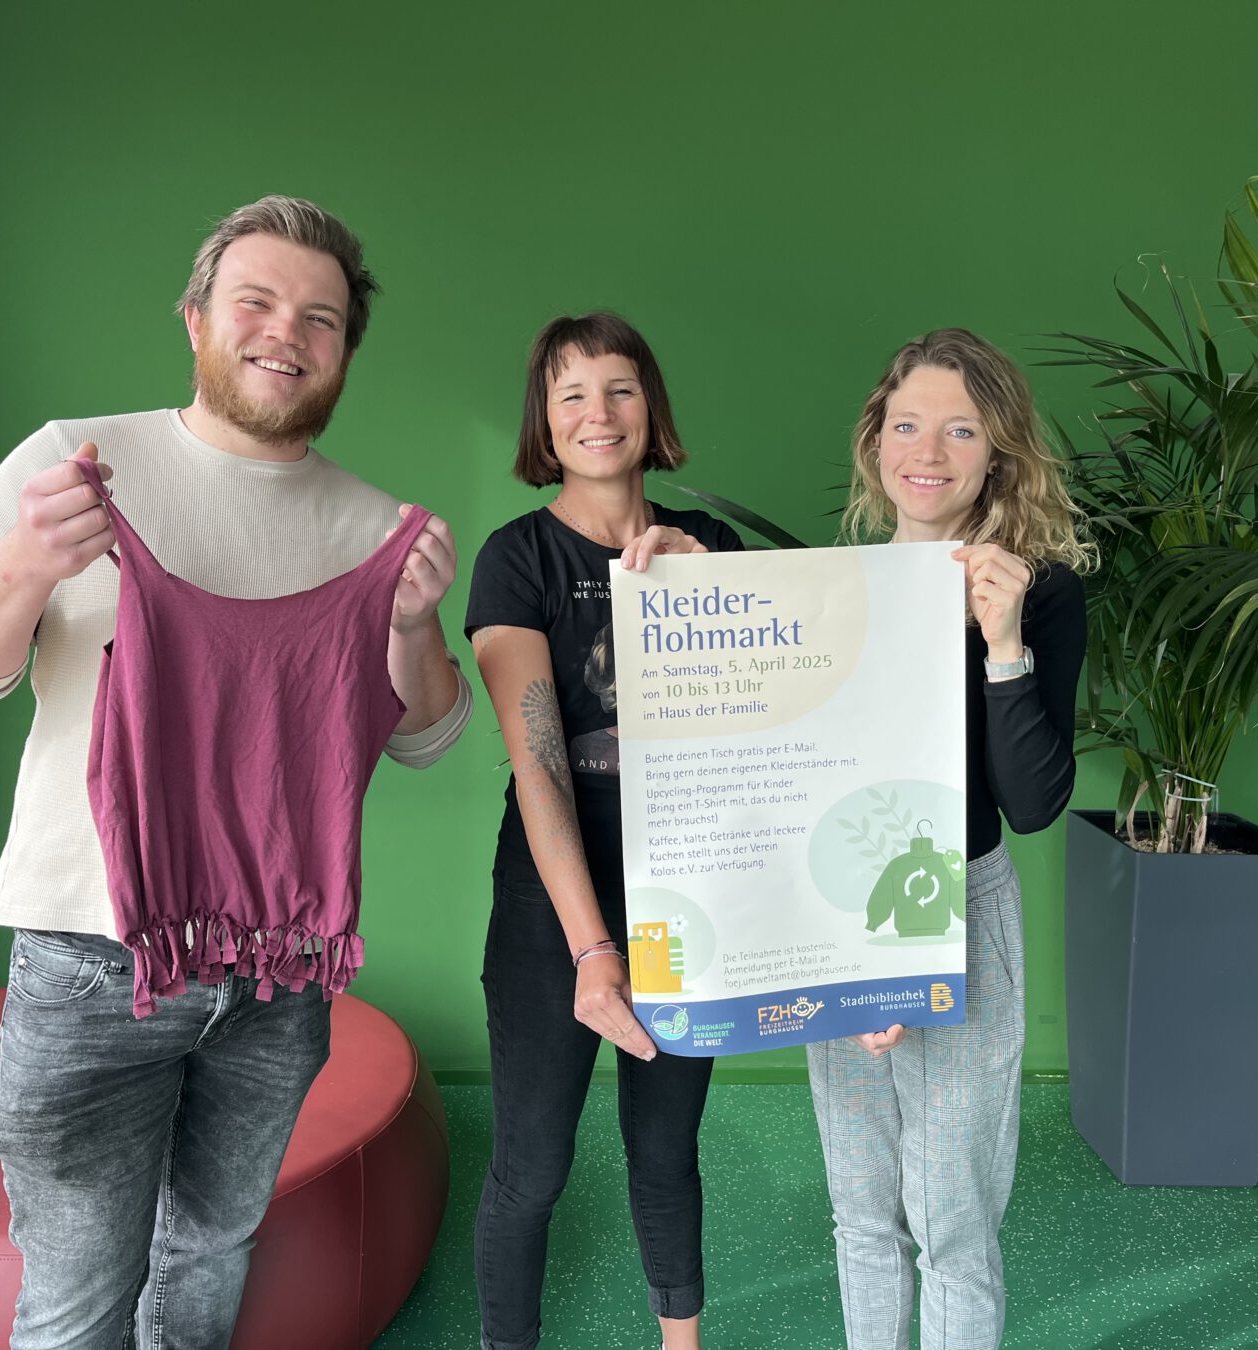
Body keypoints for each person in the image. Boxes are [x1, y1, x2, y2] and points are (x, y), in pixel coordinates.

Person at [0, 196, 471, 1349]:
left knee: (212, 1255)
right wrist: (22, 561)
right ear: (196, 318)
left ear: (345, 349)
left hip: (281, 969)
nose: (286, 332)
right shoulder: (76, 461)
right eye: (255, 302)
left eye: (321, 317)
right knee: (75, 1303)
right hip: (90, 957)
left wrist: (412, 631)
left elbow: (424, 736)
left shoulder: (373, 529)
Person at [464, 313, 745, 1350]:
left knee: (665, 1147)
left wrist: (704, 592)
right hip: (556, 904)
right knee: (532, 1166)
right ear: (545, 416)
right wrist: (592, 949)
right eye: (572, 393)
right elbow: (537, 763)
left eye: (620, 388)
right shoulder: (516, 557)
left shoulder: (714, 549)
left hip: (689, 892)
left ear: (650, 407)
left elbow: (765, 739)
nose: (598, 413)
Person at [807, 328, 1091, 1350]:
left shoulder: (1039, 591)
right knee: (862, 1212)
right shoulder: (835, 590)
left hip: (964, 906)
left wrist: (1004, 645)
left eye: (962, 429)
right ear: (878, 439)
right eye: (910, 422)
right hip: (846, 916)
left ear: (996, 455)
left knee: (954, 1223)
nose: (930, 449)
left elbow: (1035, 800)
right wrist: (858, 961)